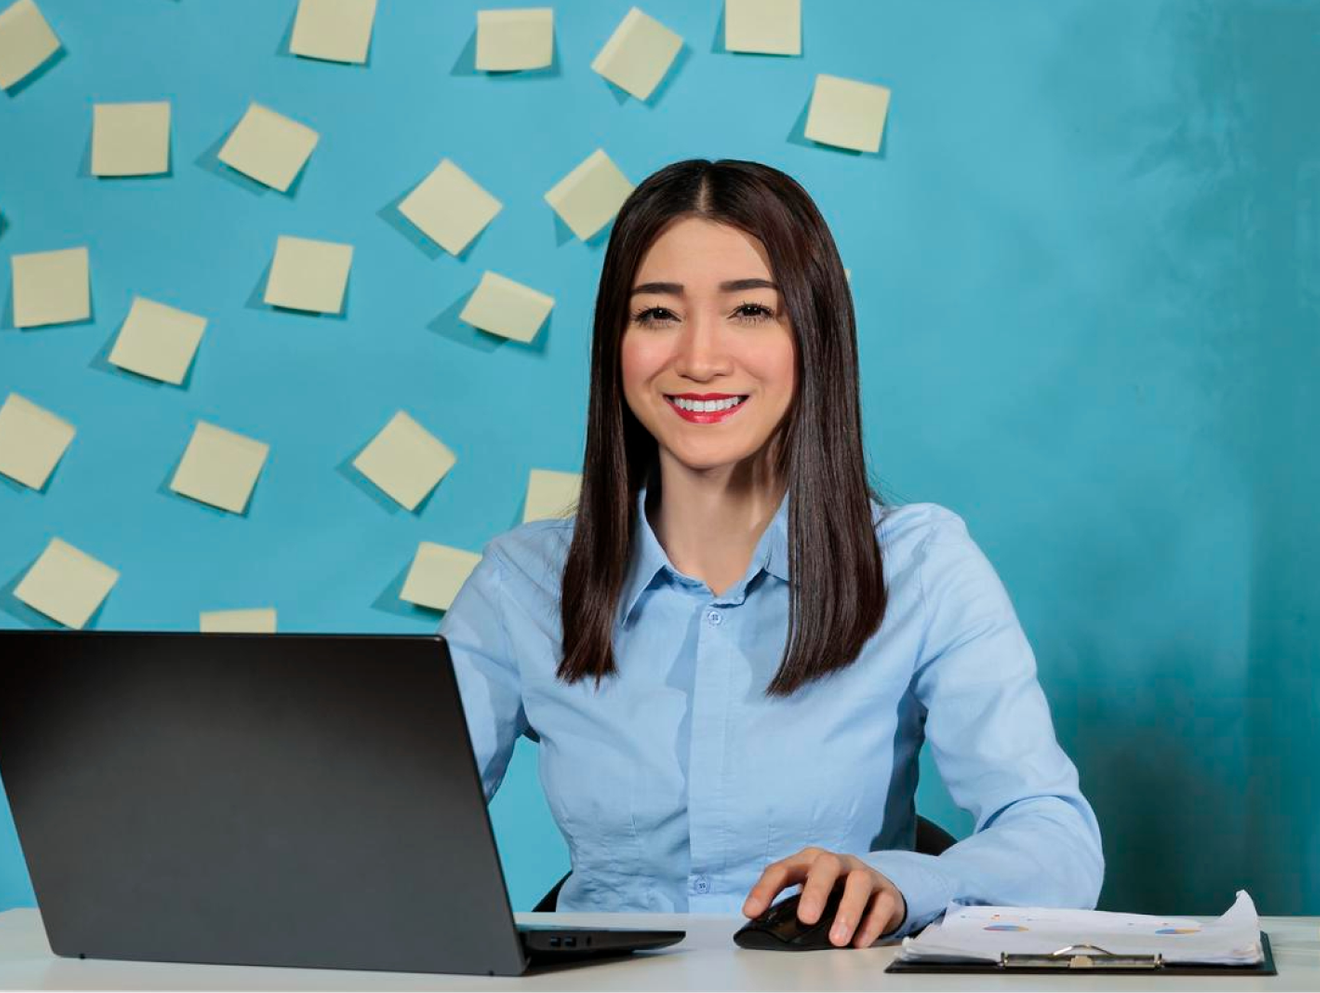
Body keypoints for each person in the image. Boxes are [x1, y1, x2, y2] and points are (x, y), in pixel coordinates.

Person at [438, 158, 1103, 948]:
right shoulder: (520, 586)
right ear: (615, 344)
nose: (700, 357)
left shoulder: (923, 567)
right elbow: (382, 824)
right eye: (656, 314)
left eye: (750, 310)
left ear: (812, 334)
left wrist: (902, 881)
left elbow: (1056, 838)